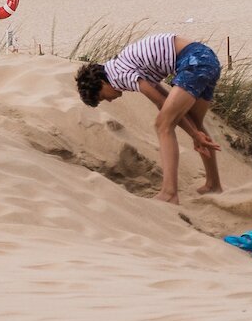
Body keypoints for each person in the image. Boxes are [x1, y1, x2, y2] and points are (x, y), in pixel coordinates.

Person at [74, 31, 224, 204]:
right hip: (206, 58)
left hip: (194, 62)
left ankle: (169, 193)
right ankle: (213, 185)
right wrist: (194, 133)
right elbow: (166, 100)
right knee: (195, 125)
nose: (108, 100)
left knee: (162, 125)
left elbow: (161, 103)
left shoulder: (117, 75)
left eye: (102, 96)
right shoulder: (121, 65)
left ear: (101, 83)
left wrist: (193, 134)